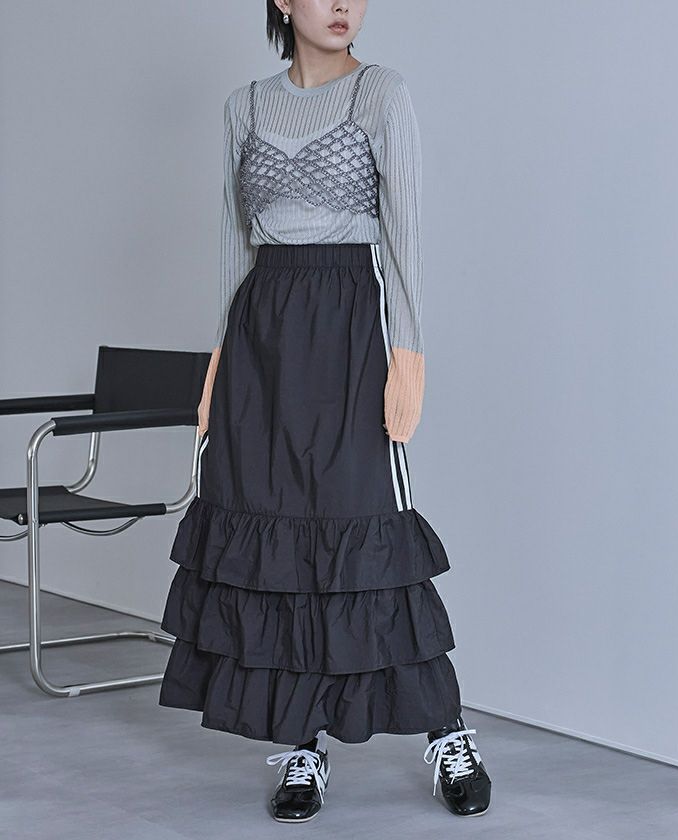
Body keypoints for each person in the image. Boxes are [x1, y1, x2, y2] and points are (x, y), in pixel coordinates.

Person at [157, 0, 492, 822]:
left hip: (351, 324)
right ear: (281, 1)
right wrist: (216, 367)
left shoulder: (380, 93)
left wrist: (407, 358)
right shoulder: (243, 106)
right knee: (276, 538)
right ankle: (301, 742)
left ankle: (447, 732)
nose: (343, 5)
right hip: (261, 334)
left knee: (368, 534)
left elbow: (405, 238)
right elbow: (232, 244)